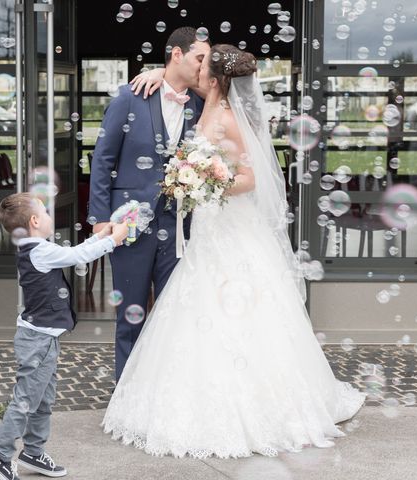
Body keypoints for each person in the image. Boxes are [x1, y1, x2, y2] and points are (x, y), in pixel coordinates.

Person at [102, 44, 365, 458]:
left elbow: (250, 177)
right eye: (197, 60)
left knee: (235, 314)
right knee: (190, 312)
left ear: (218, 78)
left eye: (205, 64)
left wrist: (206, 184)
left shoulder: (227, 116)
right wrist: (157, 71)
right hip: (202, 230)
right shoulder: (199, 103)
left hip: (225, 226)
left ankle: (253, 406)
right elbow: (170, 85)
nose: (198, 68)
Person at [88, 27, 211, 382]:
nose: (204, 66)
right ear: (176, 54)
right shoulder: (130, 97)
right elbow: (102, 158)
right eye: (199, 58)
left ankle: (165, 393)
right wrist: (99, 218)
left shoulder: (202, 106)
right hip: (130, 223)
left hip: (180, 229)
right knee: (131, 311)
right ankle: (125, 394)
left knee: (176, 314)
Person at [0, 193, 129, 480]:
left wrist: (101, 236)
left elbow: (74, 251)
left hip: (43, 339)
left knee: (43, 399)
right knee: (26, 399)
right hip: (37, 341)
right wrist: (112, 241)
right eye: (46, 213)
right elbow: (75, 256)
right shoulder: (38, 250)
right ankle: (0, 455)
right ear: (35, 221)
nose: (51, 216)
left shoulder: (36, 247)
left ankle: (33, 452)